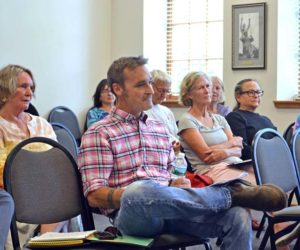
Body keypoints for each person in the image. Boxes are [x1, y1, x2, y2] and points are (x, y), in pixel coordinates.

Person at [78, 56, 287, 250]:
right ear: (118, 89)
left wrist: (176, 183)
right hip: (134, 217)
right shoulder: (99, 132)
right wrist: (139, 195)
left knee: (237, 216)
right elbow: (95, 196)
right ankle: (229, 194)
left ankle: (227, 198)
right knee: (137, 191)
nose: (151, 90)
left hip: (173, 208)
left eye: (150, 82)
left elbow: (170, 175)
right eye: (141, 84)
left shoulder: (158, 129)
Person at [0, 64, 70, 249]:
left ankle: (43, 240)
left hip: (48, 190)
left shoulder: (41, 124)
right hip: (15, 194)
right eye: (23, 86)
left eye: (31, 87)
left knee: (65, 192)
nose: (29, 92)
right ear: (5, 90)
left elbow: (58, 161)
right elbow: (2, 171)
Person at [177, 71, 254, 184]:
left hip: (236, 163)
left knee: (269, 179)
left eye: (208, 86)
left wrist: (222, 152)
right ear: (189, 94)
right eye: (201, 88)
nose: (207, 90)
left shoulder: (219, 119)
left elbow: (239, 149)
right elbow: (207, 156)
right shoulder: (187, 120)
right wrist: (229, 145)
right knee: (258, 188)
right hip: (211, 170)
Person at [226, 79, 276, 160]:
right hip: (255, 164)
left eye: (258, 92)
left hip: (274, 160)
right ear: (238, 97)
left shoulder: (266, 119)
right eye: (251, 92)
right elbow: (243, 150)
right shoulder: (234, 117)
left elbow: (278, 143)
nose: (256, 95)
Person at [145, 69, 180, 153]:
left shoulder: (167, 111)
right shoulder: (142, 111)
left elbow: (175, 135)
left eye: (167, 91)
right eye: (161, 90)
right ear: (150, 86)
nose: (164, 95)